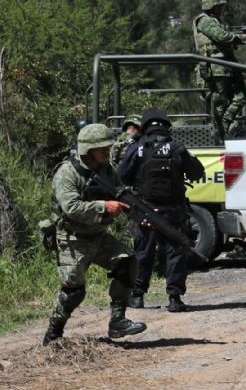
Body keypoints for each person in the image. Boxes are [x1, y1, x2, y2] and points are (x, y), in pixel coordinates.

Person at [43, 123, 147, 346]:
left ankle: (118, 321)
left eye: (108, 147)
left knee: (127, 264)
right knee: (74, 293)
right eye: (101, 148)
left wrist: (140, 213)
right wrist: (103, 207)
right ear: (87, 149)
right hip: (73, 239)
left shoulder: (106, 170)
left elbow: (120, 194)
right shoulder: (67, 173)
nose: (106, 152)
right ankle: (53, 335)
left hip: (98, 236)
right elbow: (71, 208)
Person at [118, 109, 205, 312]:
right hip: (174, 212)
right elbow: (197, 173)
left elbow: (123, 176)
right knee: (175, 254)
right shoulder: (177, 148)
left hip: (145, 212)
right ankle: (174, 298)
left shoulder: (137, 148)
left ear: (145, 126)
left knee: (143, 254)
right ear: (167, 127)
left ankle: (138, 296)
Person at [193, 0, 246, 139]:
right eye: (220, 6)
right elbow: (222, 37)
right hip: (216, 66)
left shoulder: (214, 20)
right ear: (212, 6)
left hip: (226, 64)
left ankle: (224, 124)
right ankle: (219, 132)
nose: (222, 9)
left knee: (242, 96)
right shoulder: (205, 20)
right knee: (220, 102)